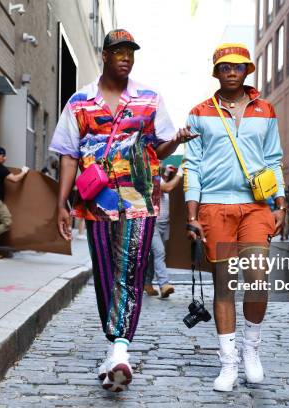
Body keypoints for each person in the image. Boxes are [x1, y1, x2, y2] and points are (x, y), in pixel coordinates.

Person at [49, 29, 197, 392]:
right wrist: (61, 204)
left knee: (130, 273)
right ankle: (113, 344)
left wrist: (174, 142)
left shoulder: (149, 99)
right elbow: (68, 155)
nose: (126, 57)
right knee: (104, 273)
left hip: (140, 202)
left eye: (130, 52)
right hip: (95, 205)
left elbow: (159, 150)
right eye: (118, 51)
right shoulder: (80, 101)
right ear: (104, 55)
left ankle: (120, 350)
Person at [183, 43, 287, 392]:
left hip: (256, 205)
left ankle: (251, 350)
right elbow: (192, 166)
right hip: (214, 205)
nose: (231, 71)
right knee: (225, 284)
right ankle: (228, 363)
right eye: (225, 66)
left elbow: (273, 159)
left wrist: (281, 203)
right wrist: (192, 213)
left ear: (247, 71)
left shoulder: (266, 110)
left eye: (238, 66)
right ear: (216, 71)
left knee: (258, 278)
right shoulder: (199, 112)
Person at [143, 165, 182, 298]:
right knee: (159, 252)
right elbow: (167, 187)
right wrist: (180, 172)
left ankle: (147, 282)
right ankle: (164, 284)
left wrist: (165, 174)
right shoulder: (150, 176)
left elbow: (162, 187)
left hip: (164, 223)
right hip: (153, 222)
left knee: (154, 255)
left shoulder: (159, 177)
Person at [0, 147, 29, 237]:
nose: (5, 158)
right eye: (3, 156)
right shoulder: (1, 168)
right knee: (7, 223)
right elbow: (15, 179)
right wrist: (24, 171)